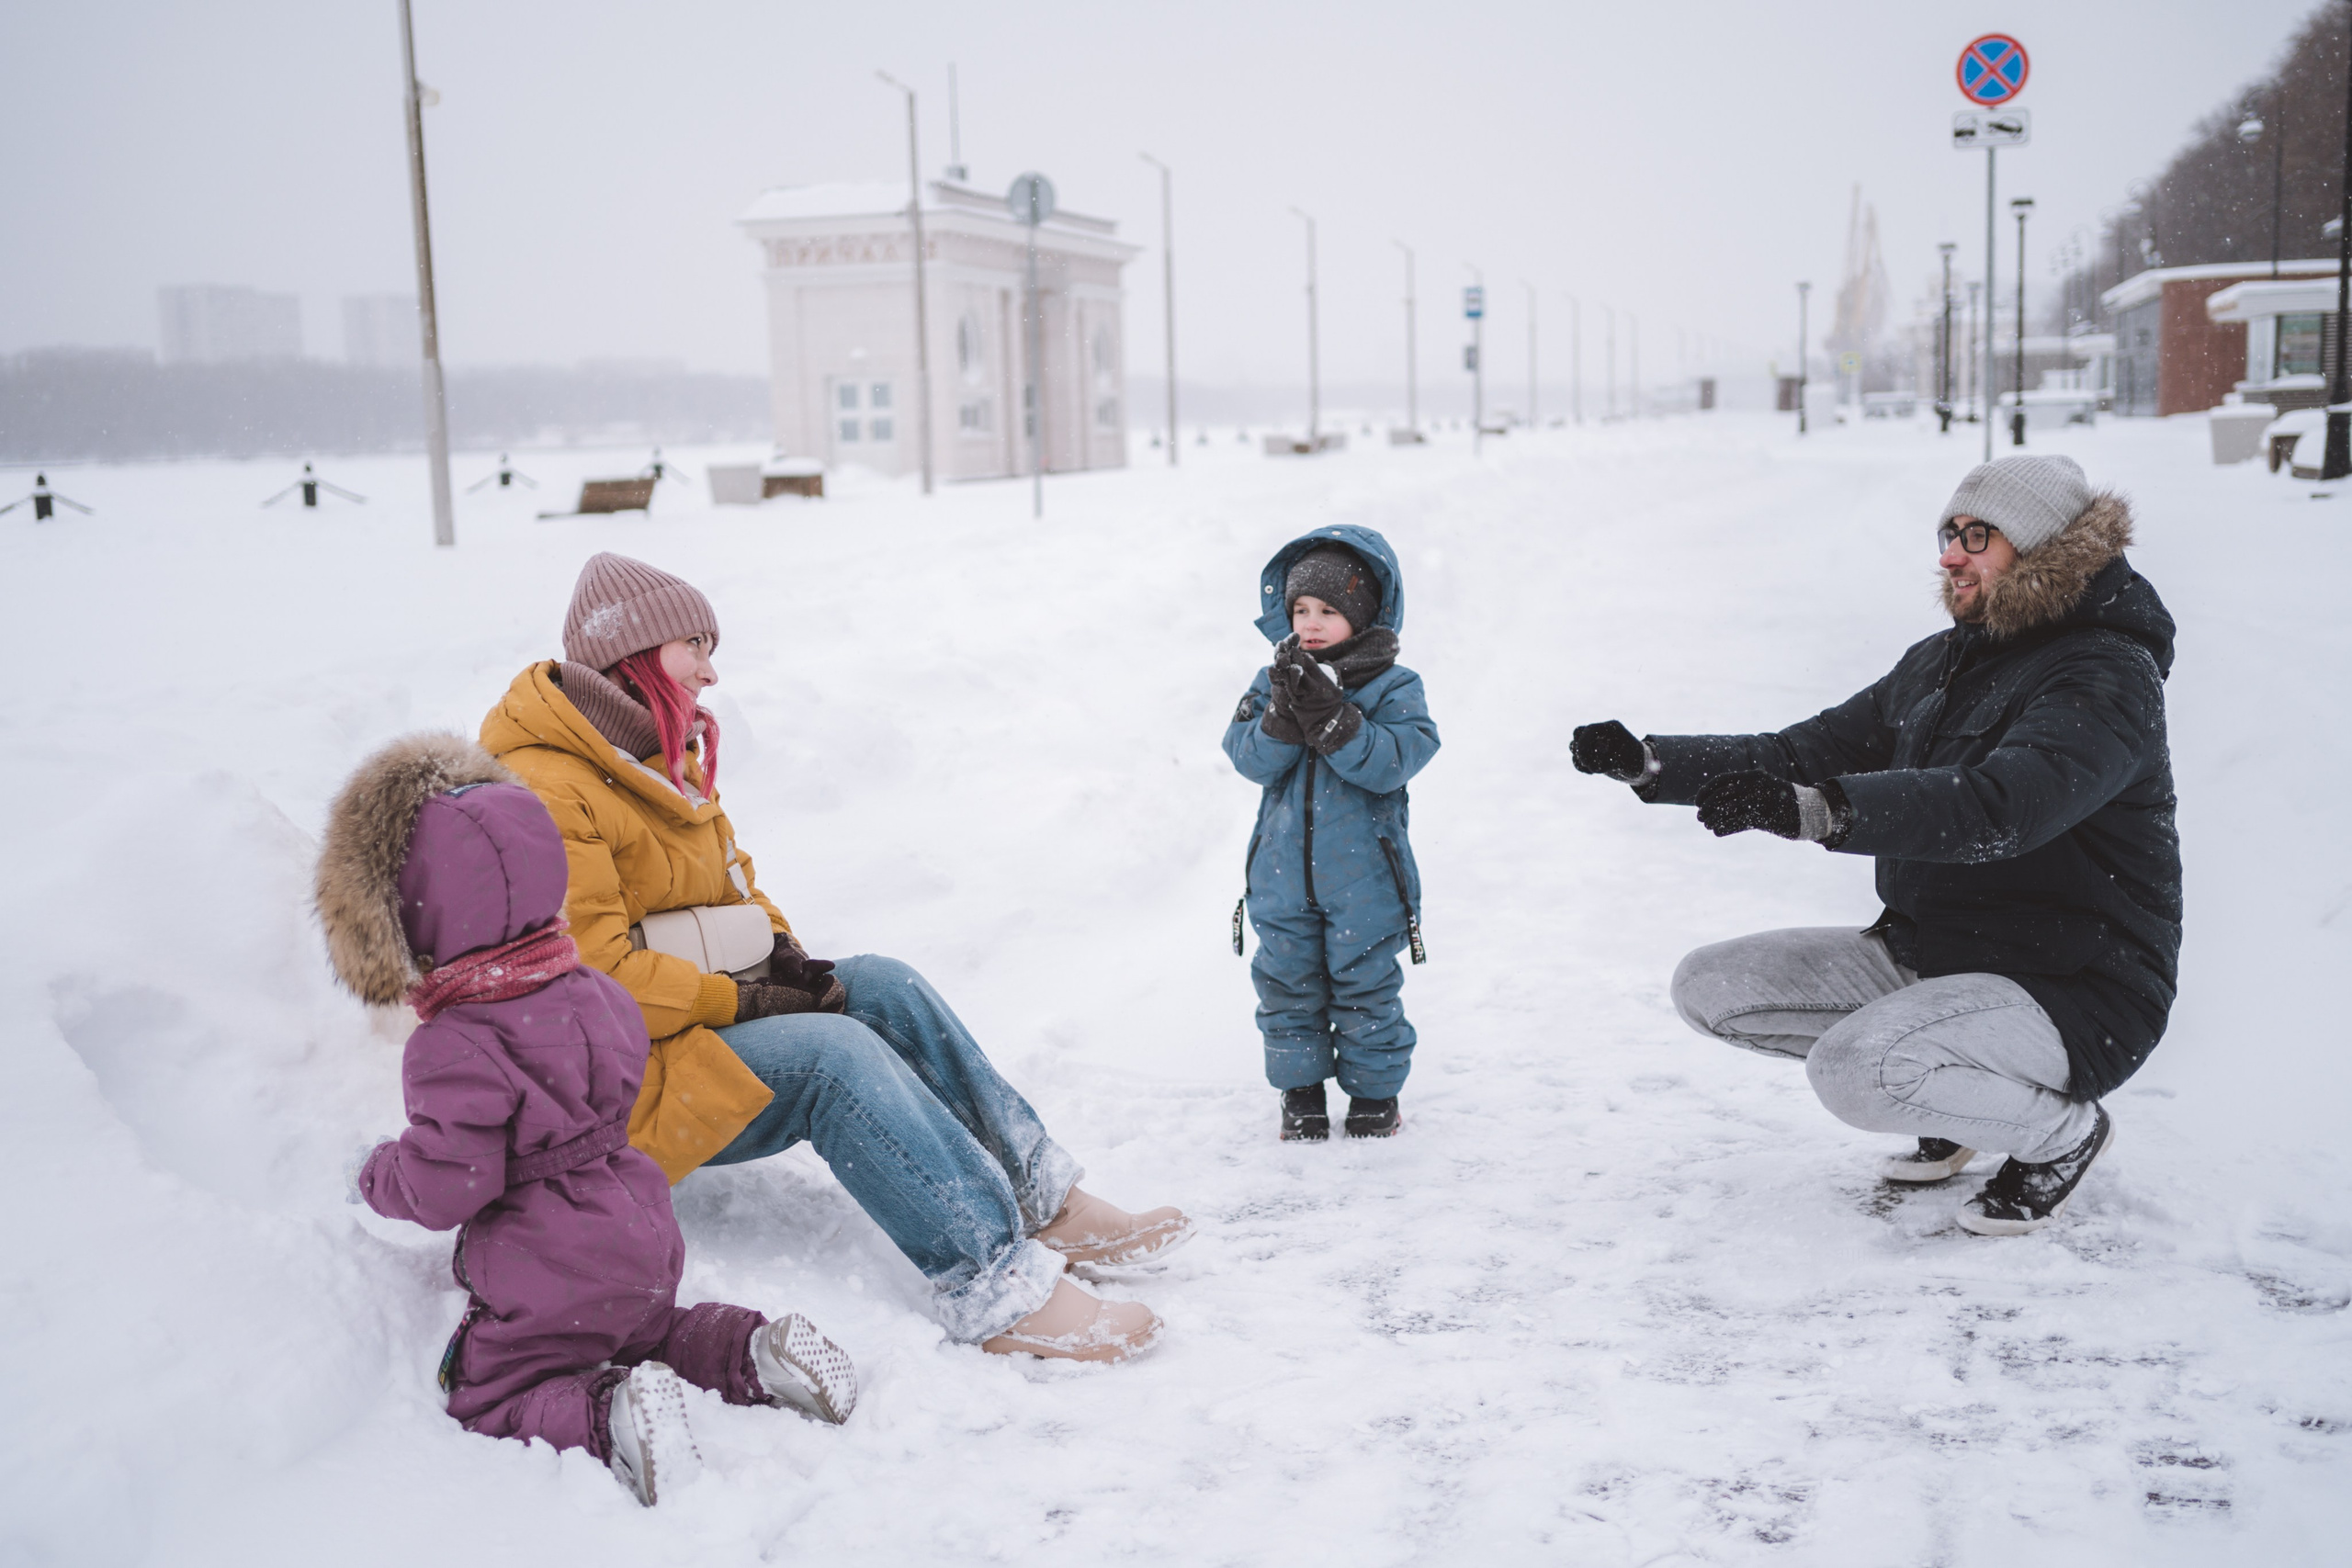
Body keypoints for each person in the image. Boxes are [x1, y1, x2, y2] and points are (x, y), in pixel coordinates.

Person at [480, 553, 1188, 1363]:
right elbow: (595, 981)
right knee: (831, 1056)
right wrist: (740, 1000)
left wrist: (785, 960)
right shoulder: (547, 784)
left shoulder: (660, 757)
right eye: (694, 647)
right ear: (631, 655)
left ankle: (1043, 1199)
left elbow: (739, 888)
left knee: (880, 984)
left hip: (689, 1021)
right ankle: (998, 1289)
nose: (712, 672)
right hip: (617, 1080)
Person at [1571, 455, 2179, 1235]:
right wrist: (1652, 763)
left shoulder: (2108, 674)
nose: (1950, 554)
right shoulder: (1944, 659)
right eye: (1948, 533)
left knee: (1854, 1070)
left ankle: (2060, 1133)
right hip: (1938, 951)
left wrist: (1821, 813)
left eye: (1976, 535)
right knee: (1713, 986)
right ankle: (1965, 1109)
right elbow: (1804, 751)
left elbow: (2004, 805)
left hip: (2076, 985)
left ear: (2041, 547)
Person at [316, 734, 857, 1506]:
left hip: (547, 1262)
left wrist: (375, 1173)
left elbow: (447, 1182)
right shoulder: (597, 992)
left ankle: (610, 1416)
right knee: (650, 1330)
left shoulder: (453, 1046)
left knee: (491, 1389)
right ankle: (755, 1349)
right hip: (640, 1225)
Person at [1224, 527, 1441, 1141]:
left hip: (1366, 880)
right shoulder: (1274, 682)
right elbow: (1249, 759)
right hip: (1279, 876)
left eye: (1329, 610)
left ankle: (1376, 1096)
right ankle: (1302, 1094)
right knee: (1287, 983)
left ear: (1364, 614)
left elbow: (1394, 760)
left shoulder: (1394, 687)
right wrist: (1283, 718)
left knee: (1364, 986)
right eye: (1300, 609)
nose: (1311, 623)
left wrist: (1339, 720)